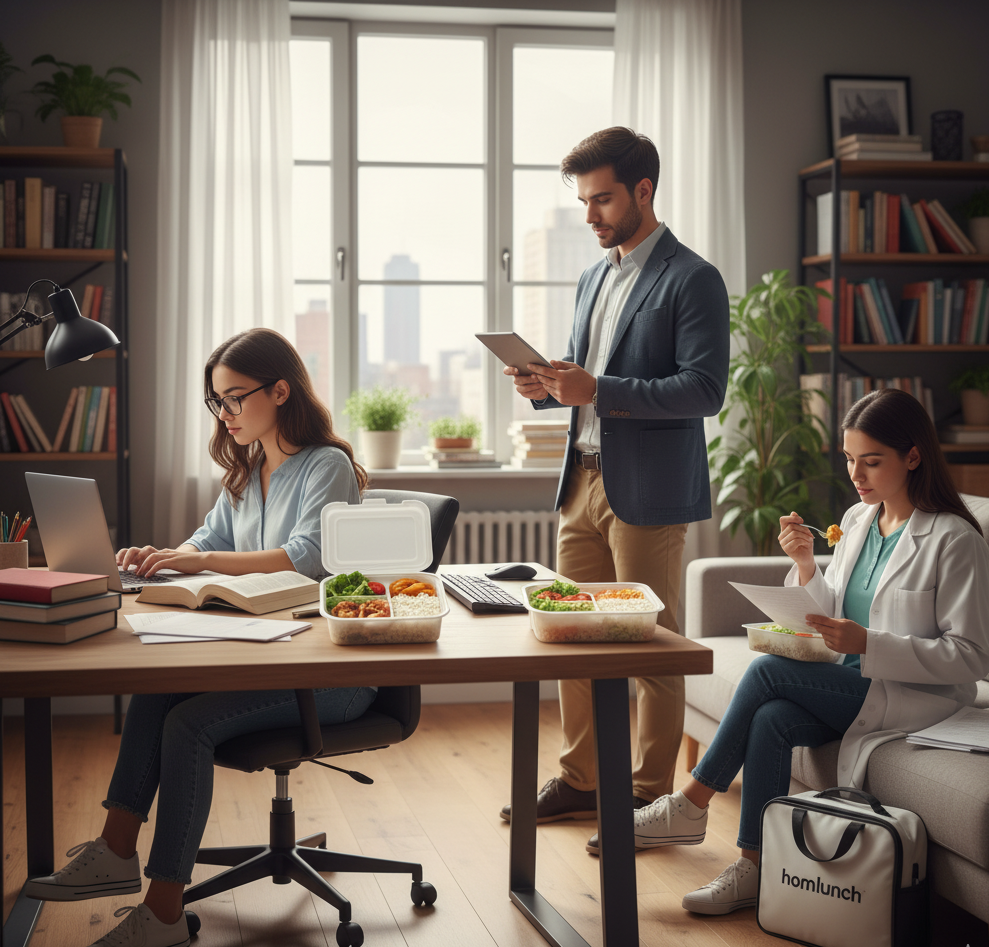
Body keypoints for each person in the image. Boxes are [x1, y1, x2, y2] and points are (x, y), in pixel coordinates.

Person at [24, 328, 377, 947]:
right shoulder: (247, 468)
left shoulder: (327, 465)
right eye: (217, 400)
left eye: (235, 397)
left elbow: (308, 558)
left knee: (188, 724)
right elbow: (207, 542)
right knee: (157, 690)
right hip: (266, 656)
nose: (225, 412)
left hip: (328, 674)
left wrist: (198, 563)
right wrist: (163, 558)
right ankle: (116, 851)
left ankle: (163, 915)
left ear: (280, 391)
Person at [625, 387, 989, 916]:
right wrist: (804, 565)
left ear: (913, 456)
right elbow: (829, 608)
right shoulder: (859, 519)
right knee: (771, 718)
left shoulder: (954, 539)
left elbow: (971, 655)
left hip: (917, 697)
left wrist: (869, 643)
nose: (856, 475)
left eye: (871, 461)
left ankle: (691, 803)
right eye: (849, 459)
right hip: (850, 683)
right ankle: (754, 866)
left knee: (767, 673)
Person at [501, 126, 730, 840]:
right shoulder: (592, 277)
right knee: (570, 636)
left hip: (648, 492)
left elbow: (703, 389)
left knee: (650, 645)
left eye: (601, 199)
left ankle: (646, 795)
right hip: (582, 481)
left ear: (643, 190)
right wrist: (546, 387)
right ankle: (581, 780)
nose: (590, 215)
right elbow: (585, 380)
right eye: (583, 202)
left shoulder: (692, 278)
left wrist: (597, 388)